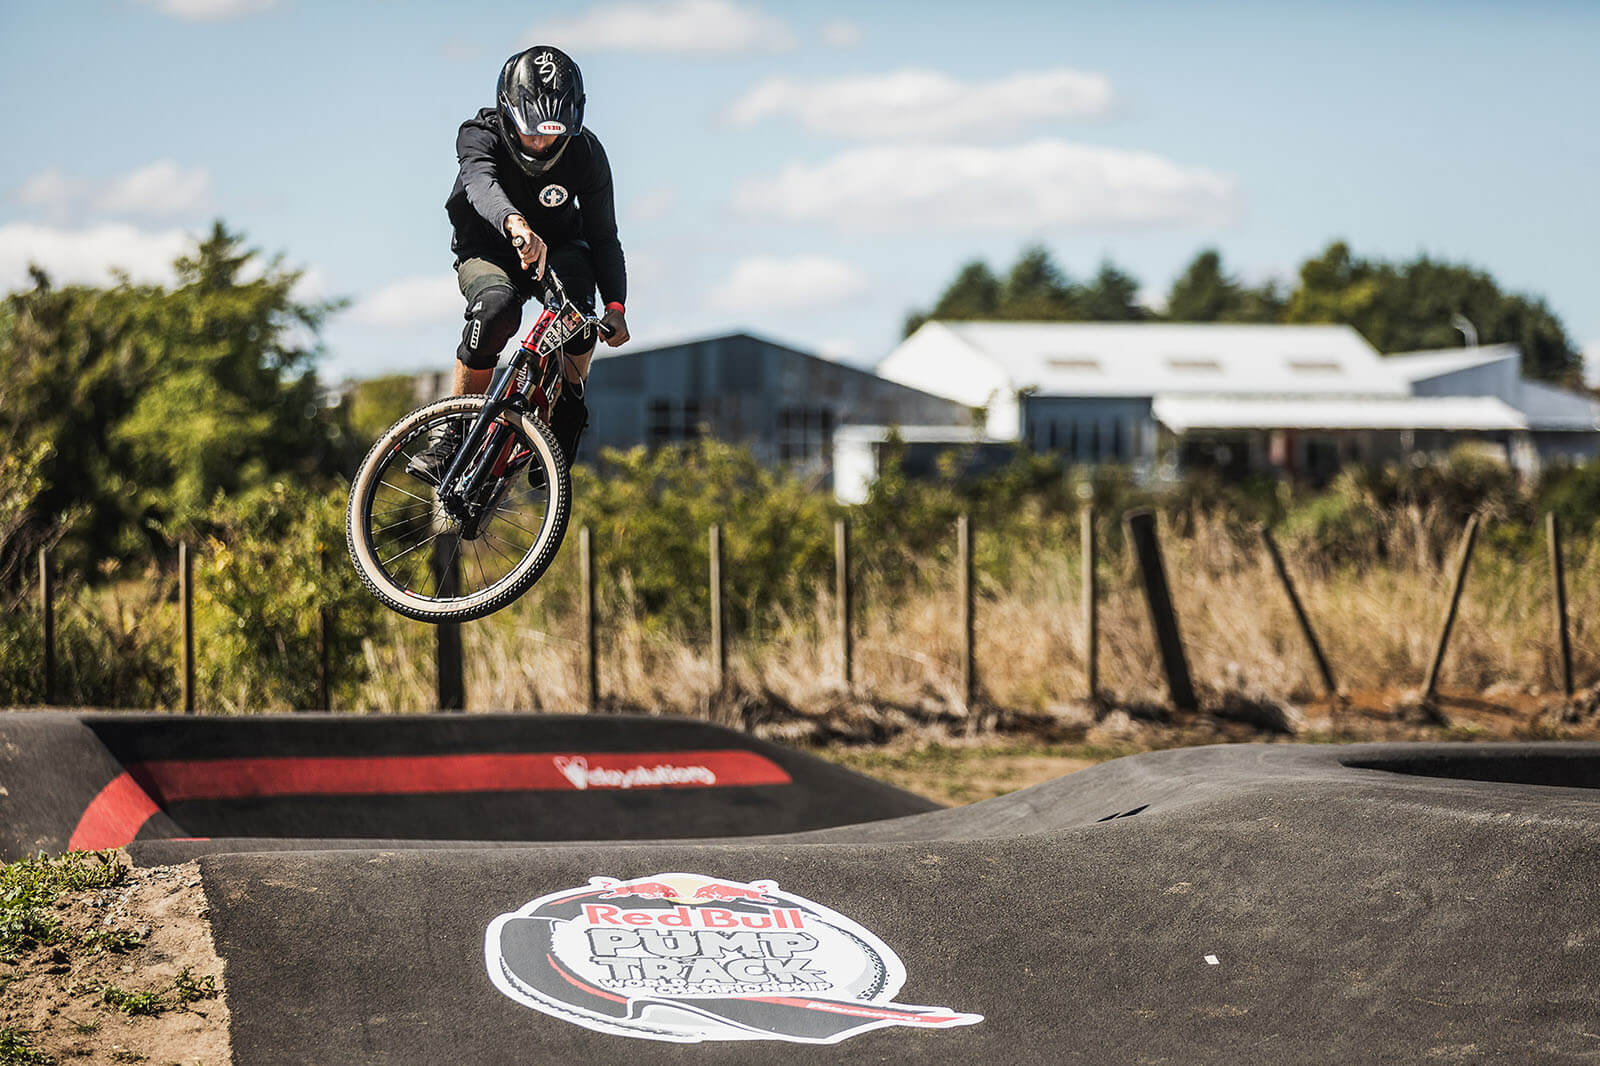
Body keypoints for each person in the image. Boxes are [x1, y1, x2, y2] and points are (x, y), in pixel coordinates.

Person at [411, 45, 630, 482]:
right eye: (532, 133)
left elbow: (604, 235)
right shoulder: (478, 135)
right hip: (489, 250)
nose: (541, 144)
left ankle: (567, 407)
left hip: (561, 251)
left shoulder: (586, 154)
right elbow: (481, 183)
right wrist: (515, 223)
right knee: (497, 312)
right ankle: (452, 435)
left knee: (577, 320)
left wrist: (616, 307)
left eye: (552, 135)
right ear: (508, 114)